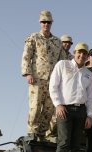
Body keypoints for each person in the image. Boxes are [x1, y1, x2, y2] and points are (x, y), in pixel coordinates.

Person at [49, 42, 92, 152]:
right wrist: (58, 104)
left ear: (87, 56)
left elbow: (90, 96)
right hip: (65, 109)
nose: (81, 55)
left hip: (80, 110)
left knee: (75, 145)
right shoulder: (62, 65)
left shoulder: (89, 74)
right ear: (74, 53)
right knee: (64, 142)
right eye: (79, 52)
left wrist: (89, 115)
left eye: (84, 53)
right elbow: (53, 85)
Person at [21, 10, 67, 140]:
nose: (46, 24)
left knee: (49, 109)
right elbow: (26, 56)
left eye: (48, 22)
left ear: (51, 23)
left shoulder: (57, 42)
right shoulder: (34, 38)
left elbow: (63, 61)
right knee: (35, 107)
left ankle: (41, 134)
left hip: (53, 81)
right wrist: (28, 73)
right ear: (40, 23)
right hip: (37, 79)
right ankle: (32, 132)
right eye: (43, 22)